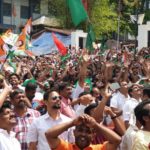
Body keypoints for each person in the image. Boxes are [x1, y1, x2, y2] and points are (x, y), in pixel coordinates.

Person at [45, 114, 121, 150]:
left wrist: (96, 125)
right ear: (74, 133)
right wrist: (72, 123)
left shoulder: (99, 148)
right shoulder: (66, 147)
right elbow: (49, 135)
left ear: (93, 136)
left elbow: (116, 140)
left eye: (88, 131)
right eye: (80, 130)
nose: (83, 134)